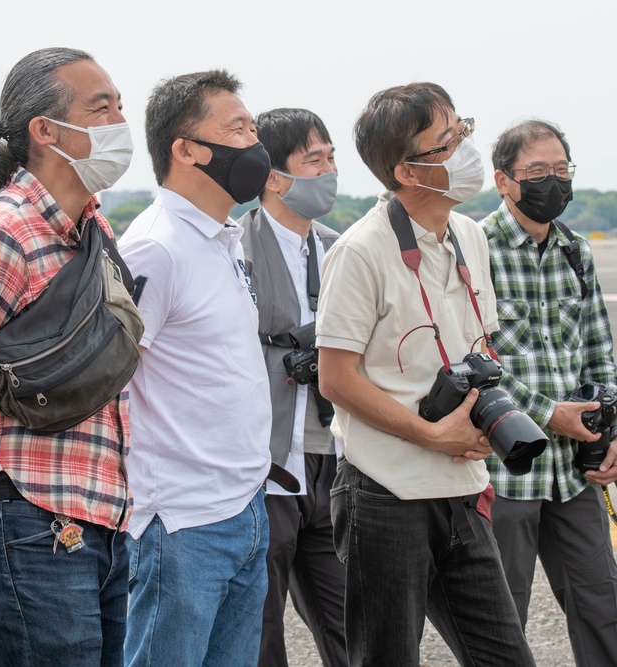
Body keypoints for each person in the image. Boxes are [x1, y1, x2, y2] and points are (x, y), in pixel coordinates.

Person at [0, 47, 134, 667]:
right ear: (46, 130)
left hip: (104, 513)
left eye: (121, 104)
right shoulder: (1, 233)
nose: (120, 121)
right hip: (26, 516)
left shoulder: (96, 231)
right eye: (102, 107)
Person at [315, 83, 535, 666]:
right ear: (407, 171)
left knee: (507, 656)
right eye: (448, 142)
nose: (467, 149)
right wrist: (433, 434)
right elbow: (334, 379)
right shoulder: (361, 251)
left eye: (463, 130)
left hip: (460, 489)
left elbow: (476, 349)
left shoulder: (469, 237)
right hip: (385, 491)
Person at [118, 70, 273, 667]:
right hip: (181, 524)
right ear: (186, 150)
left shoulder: (221, 240)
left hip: (243, 506)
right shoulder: (156, 248)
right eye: (237, 129)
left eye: (253, 128)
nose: (254, 143)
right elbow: (114, 379)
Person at [482, 119, 617, 666]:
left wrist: (608, 432)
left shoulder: (576, 252)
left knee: (601, 602)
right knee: (501, 614)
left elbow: (599, 351)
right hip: (506, 470)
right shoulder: (474, 250)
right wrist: (546, 414)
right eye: (537, 171)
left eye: (561, 170)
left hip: (575, 471)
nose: (553, 182)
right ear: (504, 181)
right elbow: (475, 360)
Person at [237, 108, 347, 667]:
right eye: (314, 160)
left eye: (331, 157)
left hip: (334, 461)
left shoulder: (341, 248)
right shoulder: (236, 250)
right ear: (275, 177)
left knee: (353, 626)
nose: (329, 171)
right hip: (267, 466)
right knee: (259, 632)